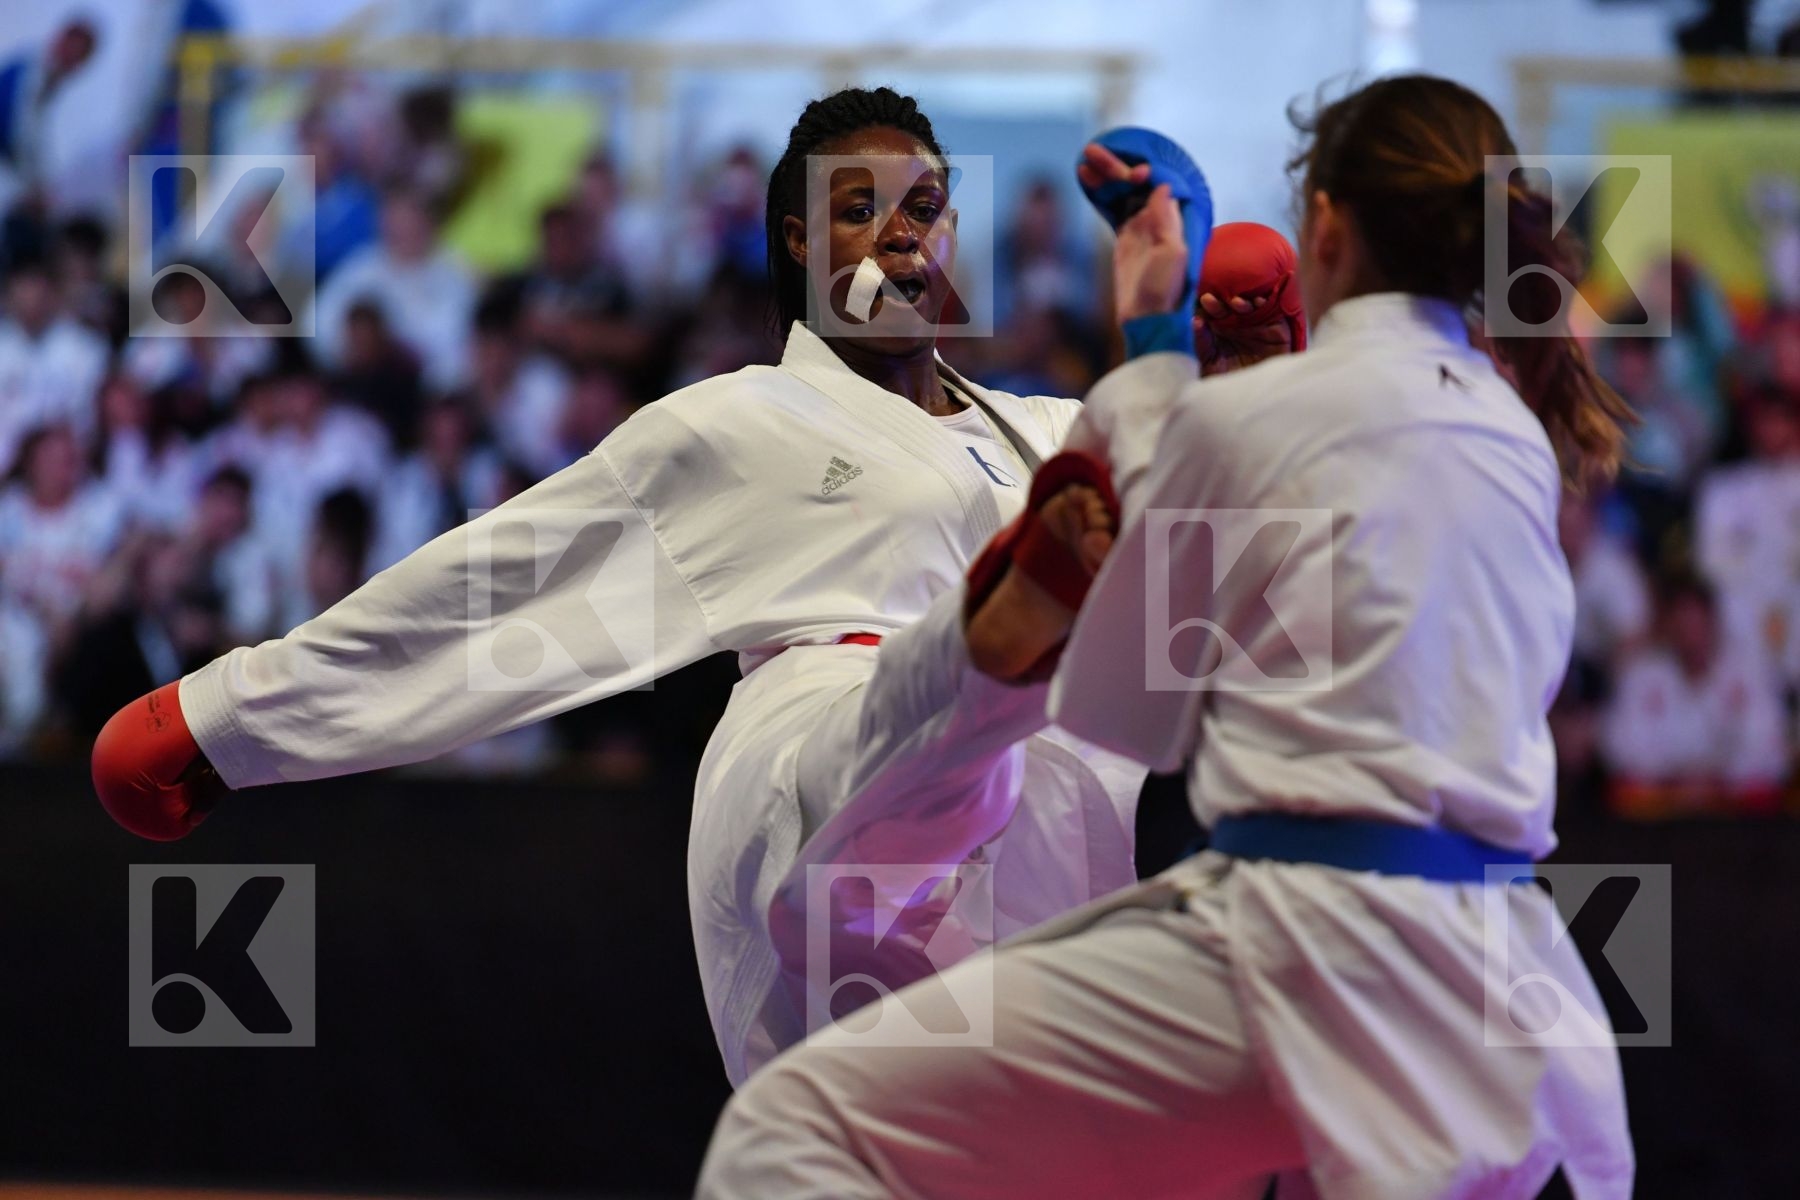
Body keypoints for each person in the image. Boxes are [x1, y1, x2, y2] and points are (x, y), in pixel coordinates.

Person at [89, 87, 1292, 1085]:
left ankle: (1007, 652)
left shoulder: (1045, 432)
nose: (901, 233)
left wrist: (1252, 386)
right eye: (858, 210)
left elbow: (1245, 569)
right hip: (831, 758)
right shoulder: (737, 422)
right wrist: (225, 720)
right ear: (797, 244)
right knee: (908, 741)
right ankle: (985, 653)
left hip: (1049, 843)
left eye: (924, 205)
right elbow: (497, 586)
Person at [697, 74, 1635, 1199]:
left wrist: (1153, 345)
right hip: (1517, 990)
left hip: (1300, 943)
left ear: (1325, 227)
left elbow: (1128, 709)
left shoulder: (1255, 420)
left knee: (792, 1127)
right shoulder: (1513, 427)